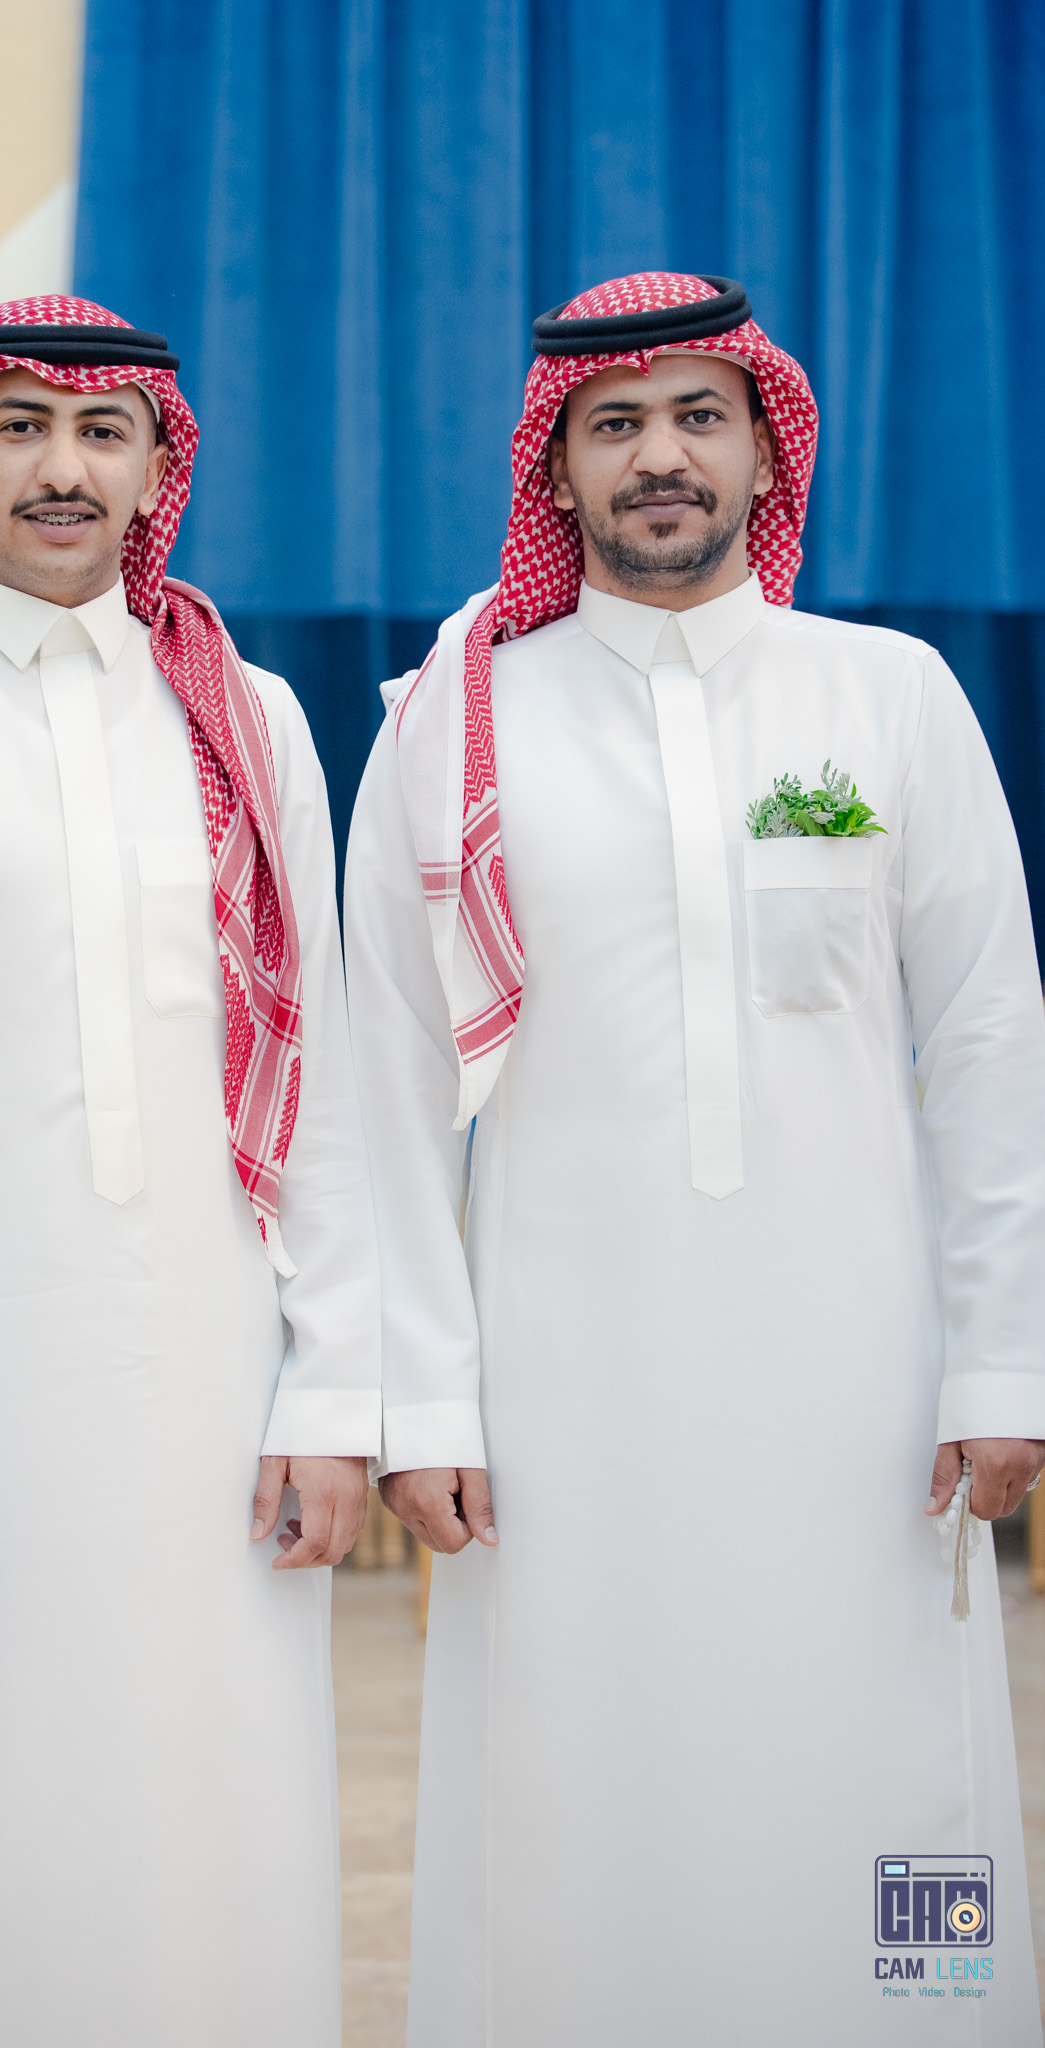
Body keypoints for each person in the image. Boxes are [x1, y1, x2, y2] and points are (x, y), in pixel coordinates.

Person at [343, 271, 1045, 2045]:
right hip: (561, 1389)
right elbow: (385, 1086)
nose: (659, 456)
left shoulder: (888, 696)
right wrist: (422, 1397)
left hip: (861, 1380)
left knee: (880, 1770)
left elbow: (987, 1041)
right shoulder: (450, 725)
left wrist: (1001, 1357)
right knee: (579, 1792)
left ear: (761, 449)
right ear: (556, 467)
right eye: (614, 424)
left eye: (696, 417)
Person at [0, 296, 380, 2047]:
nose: (62, 467)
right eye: (18, 426)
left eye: (104, 433)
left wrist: (332, 1390)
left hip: (209, 1375)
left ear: (159, 471)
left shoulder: (250, 718)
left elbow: (317, 1078)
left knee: (204, 1808)